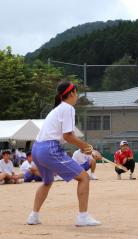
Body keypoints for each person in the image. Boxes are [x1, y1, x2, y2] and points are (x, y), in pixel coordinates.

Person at [27, 81, 101, 226]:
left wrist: (86, 148)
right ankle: (83, 217)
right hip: (49, 149)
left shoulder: (57, 109)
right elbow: (68, 136)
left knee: (47, 182)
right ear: (72, 93)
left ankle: (33, 216)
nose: (77, 95)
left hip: (37, 148)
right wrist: (90, 148)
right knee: (84, 178)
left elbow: (65, 137)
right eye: (77, 92)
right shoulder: (68, 108)